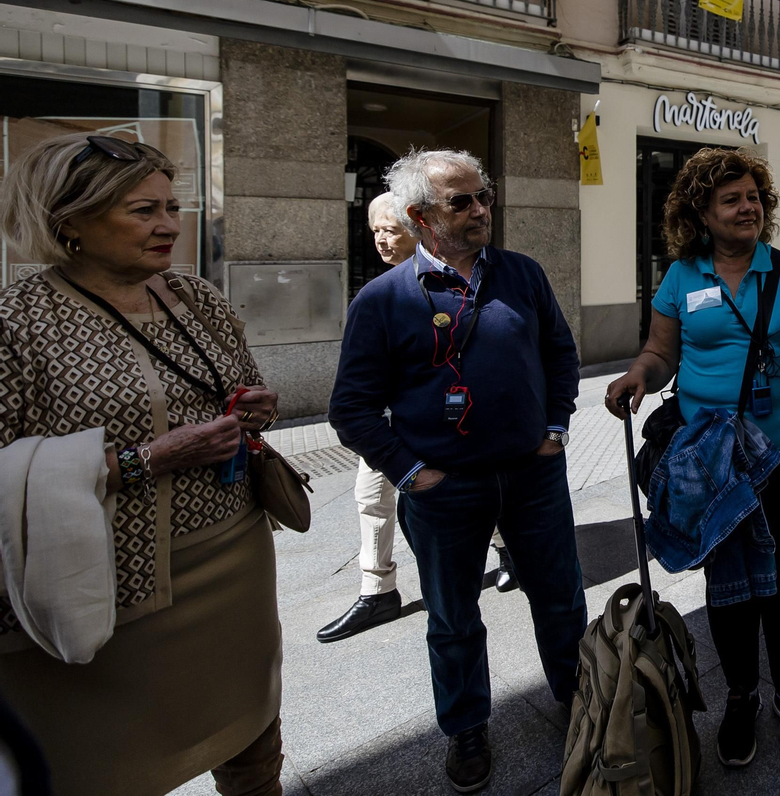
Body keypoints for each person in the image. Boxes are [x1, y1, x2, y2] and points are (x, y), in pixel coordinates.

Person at [0, 133, 284, 796]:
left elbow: (242, 382)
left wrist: (252, 408)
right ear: (69, 221)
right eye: (142, 211)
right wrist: (143, 460)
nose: (167, 226)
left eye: (171, 206)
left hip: (233, 567)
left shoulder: (195, 296)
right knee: (103, 766)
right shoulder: (16, 320)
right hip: (100, 592)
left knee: (253, 741)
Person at [328, 148, 584, 793]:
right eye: (461, 201)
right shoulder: (383, 299)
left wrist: (555, 428)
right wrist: (411, 473)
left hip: (534, 477)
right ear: (420, 216)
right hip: (445, 488)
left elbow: (559, 351)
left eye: (484, 195)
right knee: (452, 617)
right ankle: (466, 727)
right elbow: (351, 409)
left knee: (559, 599)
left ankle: (579, 698)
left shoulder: (522, 274)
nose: (481, 210)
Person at [605, 148, 780, 767]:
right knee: (730, 583)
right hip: (714, 458)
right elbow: (662, 354)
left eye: (754, 197)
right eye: (731, 200)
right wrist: (638, 374)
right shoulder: (682, 277)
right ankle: (741, 695)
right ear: (702, 214)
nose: (748, 208)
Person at [318, 194, 519, 645]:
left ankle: (506, 553)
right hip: (386, 430)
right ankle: (378, 590)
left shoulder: (470, 280)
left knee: (482, 496)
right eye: (374, 232)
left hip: (452, 432)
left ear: (420, 224)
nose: (381, 240)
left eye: (390, 229)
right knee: (371, 498)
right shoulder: (379, 294)